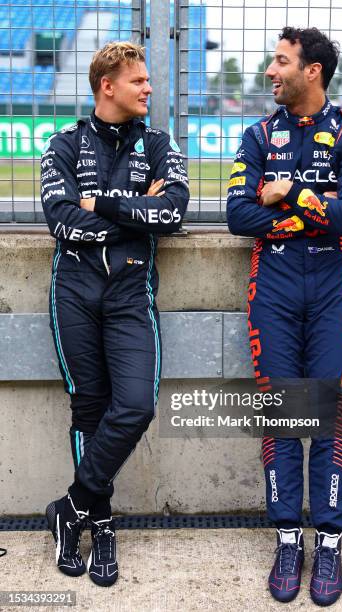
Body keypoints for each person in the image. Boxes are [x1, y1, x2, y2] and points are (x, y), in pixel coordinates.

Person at [227, 27, 342, 606]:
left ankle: (331, 542)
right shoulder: (258, 134)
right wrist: (313, 208)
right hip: (275, 287)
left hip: (333, 289)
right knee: (285, 417)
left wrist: (286, 193)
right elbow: (240, 215)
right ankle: (288, 538)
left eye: (280, 61)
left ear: (311, 70)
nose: (270, 70)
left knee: (331, 413)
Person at [41, 41, 189, 587]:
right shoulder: (61, 144)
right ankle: (99, 524)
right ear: (108, 85)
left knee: (135, 405)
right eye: (139, 81)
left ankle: (72, 504)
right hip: (74, 291)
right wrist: (135, 213)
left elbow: (171, 212)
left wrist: (99, 202)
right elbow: (60, 220)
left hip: (130, 294)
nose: (149, 88)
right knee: (89, 409)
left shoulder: (158, 144)